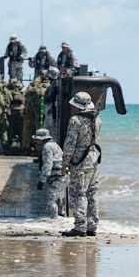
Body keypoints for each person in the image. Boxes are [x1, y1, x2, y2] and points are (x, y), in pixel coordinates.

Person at [61, 92, 101, 237]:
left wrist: (65, 163)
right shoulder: (97, 120)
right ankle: (92, 226)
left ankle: (80, 227)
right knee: (92, 193)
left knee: (78, 194)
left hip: (79, 161)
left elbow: (70, 144)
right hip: (93, 158)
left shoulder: (75, 120)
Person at [33, 128, 68, 218]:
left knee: (50, 200)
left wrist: (42, 181)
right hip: (63, 175)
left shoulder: (46, 147)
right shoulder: (55, 145)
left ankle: (54, 219)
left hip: (56, 176)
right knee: (59, 198)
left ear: (41, 139)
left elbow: (48, 165)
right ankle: (61, 216)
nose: (36, 141)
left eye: (36, 139)